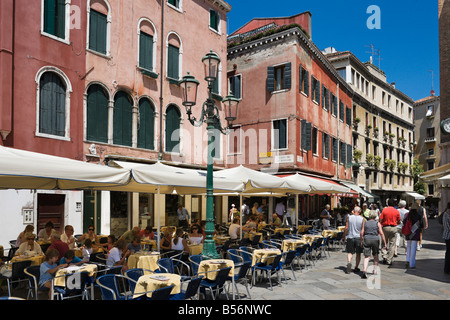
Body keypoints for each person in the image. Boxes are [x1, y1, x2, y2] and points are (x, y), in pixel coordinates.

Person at [360, 210, 386, 279]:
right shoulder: (377, 223)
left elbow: (362, 232)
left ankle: (365, 270)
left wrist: (361, 241)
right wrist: (384, 242)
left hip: (367, 238)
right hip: (375, 239)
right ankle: (374, 270)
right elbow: (381, 233)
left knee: (367, 256)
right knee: (376, 256)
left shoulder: (365, 223)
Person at [379, 199, 401, 265]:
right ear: (394, 204)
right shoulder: (396, 211)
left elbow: (380, 219)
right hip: (393, 228)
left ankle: (384, 256)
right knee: (392, 244)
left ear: (387, 203)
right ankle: (389, 259)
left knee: (384, 243)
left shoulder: (384, 210)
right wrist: (395, 223)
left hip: (385, 228)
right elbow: (399, 221)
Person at [404, 203, 425, 269]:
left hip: (408, 232)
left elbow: (403, 223)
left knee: (409, 247)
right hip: (415, 233)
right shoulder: (418, 215)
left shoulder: (407, 215)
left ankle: (407, 260)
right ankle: (412, 264)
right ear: (417, 208)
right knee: (413, 248)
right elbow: (421, 225)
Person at [343, 206, 364, 274]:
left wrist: (344, 236)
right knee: (358, 253)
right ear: (359, 211)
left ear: (354, 210)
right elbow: (363, 230)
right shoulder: (362, 218)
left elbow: (346, 228)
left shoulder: (349, 217)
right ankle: (356, 267)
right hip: (358, 237)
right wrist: (362, 238)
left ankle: (349, 262)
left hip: (350, 237)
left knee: (350, 252)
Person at [442, 202, 450, 275]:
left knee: (448, 252)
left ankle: (447, 269)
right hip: (449, 235)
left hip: (446, 235)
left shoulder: (445, 213)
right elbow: (447, 226)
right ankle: (447, 269)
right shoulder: (448, 214)